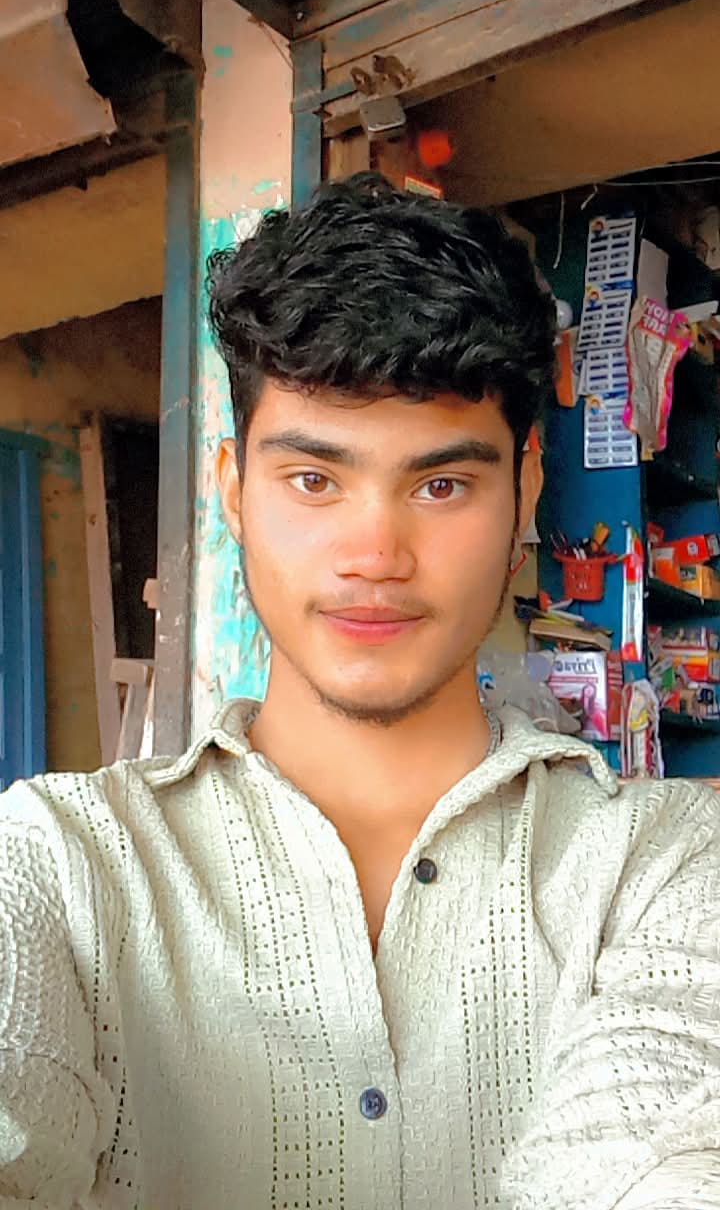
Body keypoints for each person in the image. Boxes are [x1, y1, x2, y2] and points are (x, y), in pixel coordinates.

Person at [1, 174, 719, 1210]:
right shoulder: (65, 863)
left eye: (441, 484)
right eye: (314, 480)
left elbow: (658, 1145)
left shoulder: (661, 865)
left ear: (524, 491)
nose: (375, 553)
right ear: (233, 489)